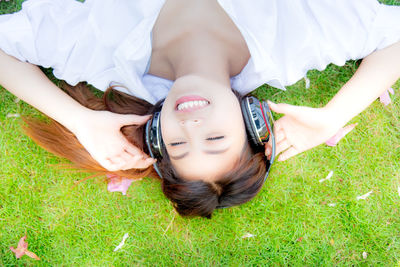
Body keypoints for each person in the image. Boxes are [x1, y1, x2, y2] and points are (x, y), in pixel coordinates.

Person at [0, 0, 399, 217]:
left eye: (179, 143)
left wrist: (78, 120)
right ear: (252, 122)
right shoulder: (295, 39)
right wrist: (332, 116)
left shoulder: (101, 51)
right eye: (214, 138)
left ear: (156, 130)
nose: (190, 124)